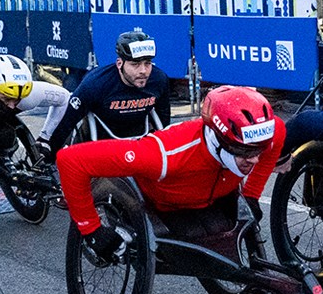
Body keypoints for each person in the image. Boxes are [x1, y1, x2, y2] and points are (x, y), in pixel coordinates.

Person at [59, 84, 283, 261]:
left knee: (221, 227)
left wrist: (252, 195)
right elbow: (70, 160)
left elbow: (279, 136)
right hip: (165, 206)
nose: (254, 159)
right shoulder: (161, 155)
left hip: (209, 196)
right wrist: (91, 230)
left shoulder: (266, 134)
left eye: (259, 149)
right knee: (195, 235)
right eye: (244, 150)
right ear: (218, 139)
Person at [45, 28, 171, 147]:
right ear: (119, 64)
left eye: (147, 63)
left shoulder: (159, 80)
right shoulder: (95, 83)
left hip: (139, 142)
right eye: (135, 64)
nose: (143, 71)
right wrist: (50, 154)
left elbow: (164, 120)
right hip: (99, 142)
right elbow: (68, 121)